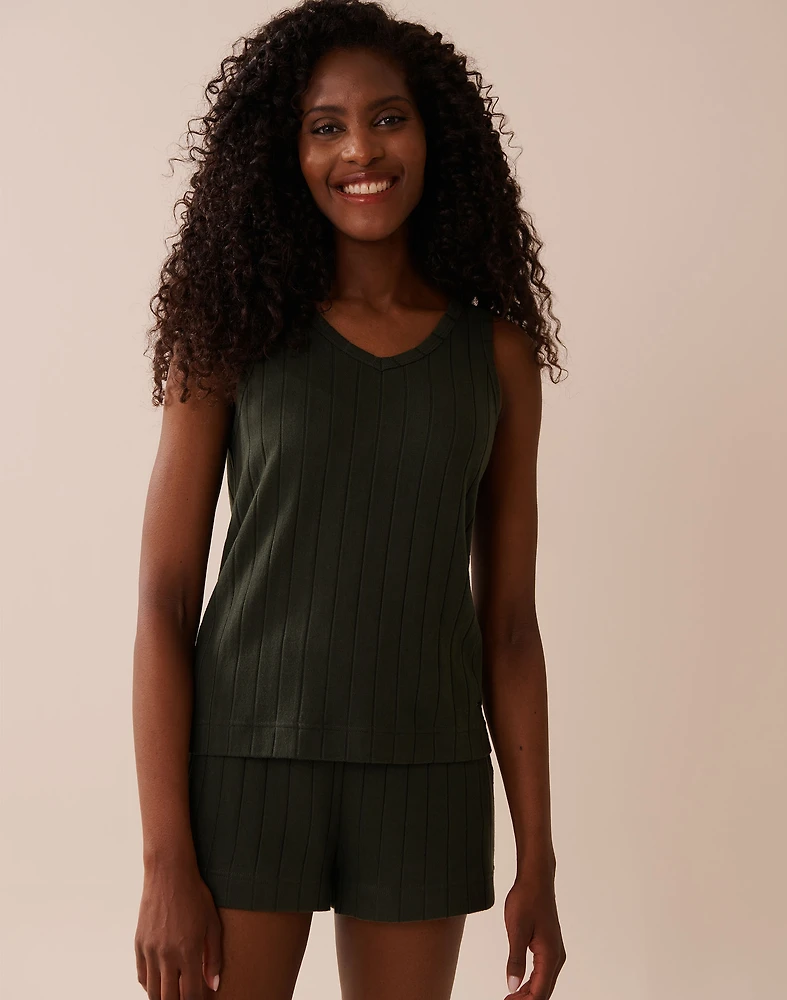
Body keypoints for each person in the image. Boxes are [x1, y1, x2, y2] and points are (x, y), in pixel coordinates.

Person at [132, 1, 567, 997]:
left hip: (426, 773)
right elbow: (163, 599)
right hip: (244, 767)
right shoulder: (226, 338)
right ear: (282, 152)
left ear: (434, 134)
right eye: (324, 126)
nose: (359, 150)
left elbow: (508, 625)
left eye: (387, 118)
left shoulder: (495, 355)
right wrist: (164, 859)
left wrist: (538, 856)